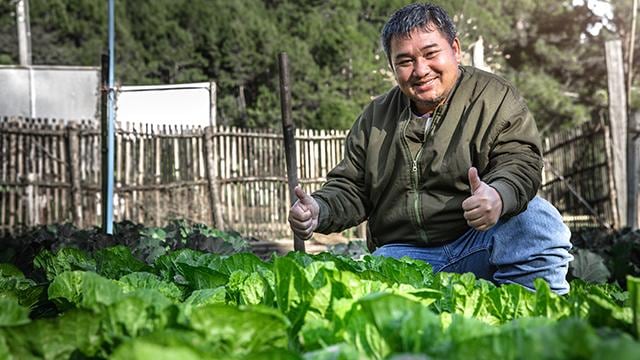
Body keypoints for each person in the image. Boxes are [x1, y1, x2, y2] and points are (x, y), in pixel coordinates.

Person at [288, 3, 573, 294]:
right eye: (405, 61)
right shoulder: (375, 118)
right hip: (408, 256)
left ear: (455, 49)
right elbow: (353, 188)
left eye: (431, 53)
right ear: (392, 66)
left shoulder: (494, 97)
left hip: (479, 242)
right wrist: (319, 209)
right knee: (379, 296)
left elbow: (520, 160)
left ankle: (535, 313)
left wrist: (499, 195)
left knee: (537, 218)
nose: (420, 70)